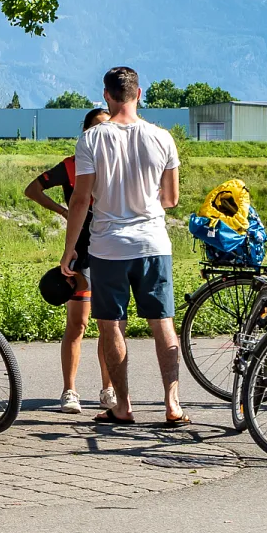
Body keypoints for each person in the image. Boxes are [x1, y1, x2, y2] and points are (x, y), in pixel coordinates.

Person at [61, 66, 186, 426]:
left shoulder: (92, 139)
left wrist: (70, 248)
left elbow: (81, 199)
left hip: (108, 246)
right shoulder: (163, 137)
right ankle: (172, 404)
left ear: (107, 95)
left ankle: (123, 405)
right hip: (153, 243)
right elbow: (172, 198)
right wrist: (142, 205)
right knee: (163, 323)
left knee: (111, 324)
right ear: (139, 93)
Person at [24, 107, 115, 414]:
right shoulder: (72, 166)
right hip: (80, 252)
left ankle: (109, 389)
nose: (102, 134)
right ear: (85, 133)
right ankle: (70, 391)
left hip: (112, 251)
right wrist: (62, 211)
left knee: (109, 325)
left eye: (108, 127)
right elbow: (32, 189)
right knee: (78, 323)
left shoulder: (117, 164)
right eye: (95, 129)